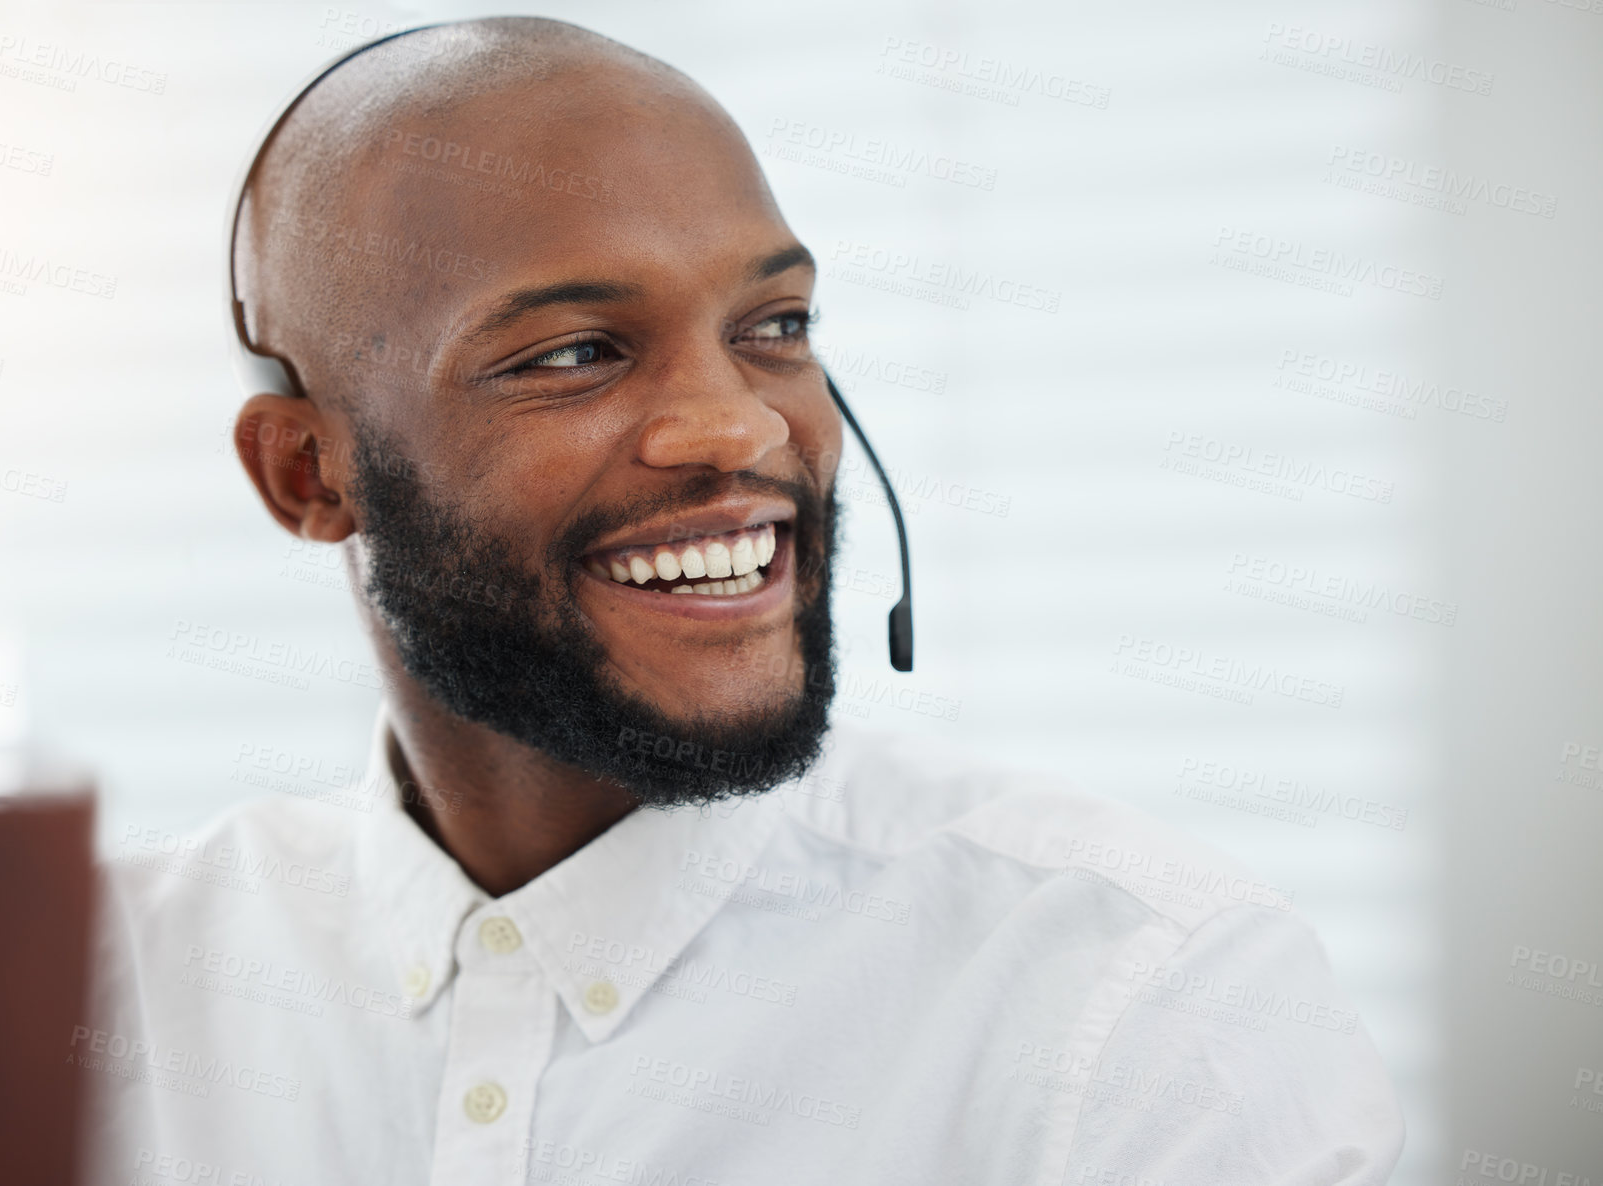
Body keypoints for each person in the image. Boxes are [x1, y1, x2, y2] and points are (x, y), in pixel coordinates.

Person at [78, 17, 1404, 1184]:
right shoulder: (74, 995)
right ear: (311, 472)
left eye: (772, 326)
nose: (737, 427)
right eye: (575, 353)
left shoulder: (1149, 1002)